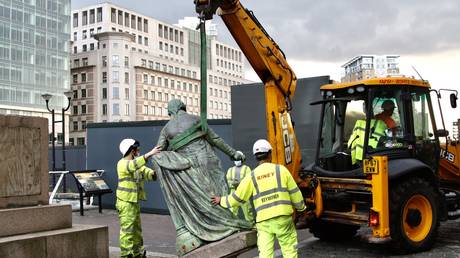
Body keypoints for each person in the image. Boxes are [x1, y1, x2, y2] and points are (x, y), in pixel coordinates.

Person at [152, 99, 252, 255]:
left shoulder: (166, 128)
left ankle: (203, 228)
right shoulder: (196, 119)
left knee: (199, 196)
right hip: (206, 159)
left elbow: (158, 151)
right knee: (217, 192)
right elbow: (215, 139)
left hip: (187, 165)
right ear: (183, 107)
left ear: (171, 111)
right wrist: (233, 153)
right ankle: (227, 223)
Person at [211, 139, 306, 258]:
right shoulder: (281, 170)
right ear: (270, 153)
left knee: (265, 254)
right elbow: (295, 193)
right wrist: (301, 208)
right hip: (283, 218)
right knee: (289, 251)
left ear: (256, 157)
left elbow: (237, 198)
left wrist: (221, 200)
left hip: (264, 221)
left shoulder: (252, 176)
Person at [116, 138, 161, 258]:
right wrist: (150, 154)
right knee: (127, 231)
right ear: (131, 150)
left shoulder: (136, 164)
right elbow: (133, 165)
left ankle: (137, 254)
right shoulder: (122, 163)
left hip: (134, 202)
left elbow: (147, 173)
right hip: (125, 203)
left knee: (136, 231)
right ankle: (126, 255)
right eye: (136, 148)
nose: (139, 150)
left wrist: (157, 172)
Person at [226, 153, 254, 222]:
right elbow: (228, 181)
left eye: (238, 159)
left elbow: (249, 180)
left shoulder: (246, 169)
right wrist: (233, 184)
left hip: (244, 193)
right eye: (235, 159)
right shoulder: (230, 170)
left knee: (247, 211)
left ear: (242, 159)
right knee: (232, 211)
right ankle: (233, 226)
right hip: (233, 193)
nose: (237, 161)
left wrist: (240, 184)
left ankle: (251, 225)